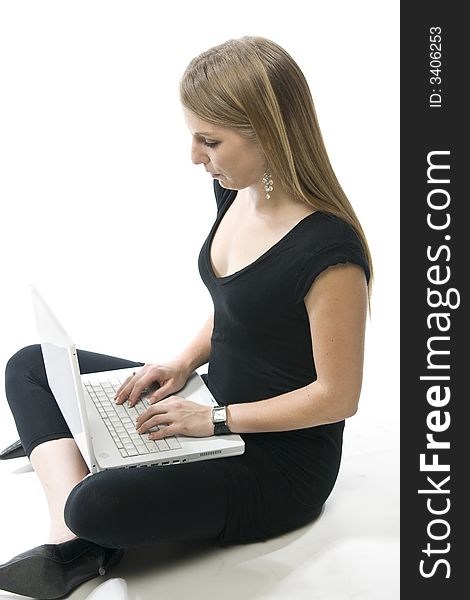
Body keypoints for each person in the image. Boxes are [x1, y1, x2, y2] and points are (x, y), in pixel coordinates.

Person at [0, 36, 373, 599]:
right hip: (207, 402)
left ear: (268, 134)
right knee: (29, 365)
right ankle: (81, 515)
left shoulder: (329, 254)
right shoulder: (235, 192)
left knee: (94, 504)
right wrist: (181, 363)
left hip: (274, 462)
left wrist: (217, 420)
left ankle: (76, 523)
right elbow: (237, 306)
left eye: (210, 140)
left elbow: (339, 397)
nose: (195, 157)